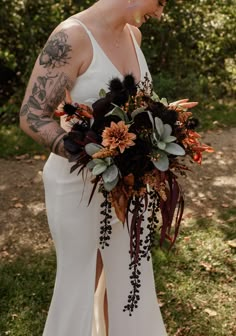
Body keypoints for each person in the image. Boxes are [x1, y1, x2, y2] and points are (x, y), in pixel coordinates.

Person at [20, 1, 196, 335]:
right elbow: (32, 116)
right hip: (76, 185)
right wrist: (93, 156)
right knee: (80, 279)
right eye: (160, 1)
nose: (160, 13)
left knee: (129, 275)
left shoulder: (135, 36)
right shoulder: (71, 37)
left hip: (129, 186)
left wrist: (147, 147)